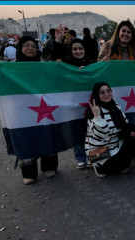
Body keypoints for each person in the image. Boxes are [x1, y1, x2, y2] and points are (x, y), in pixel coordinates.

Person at [85, 82, 135, 177]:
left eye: (108, 91)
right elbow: (101, 136)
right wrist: (97, 117)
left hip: (117, 145)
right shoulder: (93, 111)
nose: (106, 94)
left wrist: (130, 133)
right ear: (97, 94)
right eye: (102, 92)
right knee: (105, 171)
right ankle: (99, 167)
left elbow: (124, 126)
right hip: (102, 152)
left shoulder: (115, 107)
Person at [16, 36, 58, 184]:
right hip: (22, 109)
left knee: (46, 134)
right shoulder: (11, 67)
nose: (31, 48)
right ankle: (29, 172)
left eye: (34, 46)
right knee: (25, 137)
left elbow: (54, 77)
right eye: (26, 45)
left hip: (44, 106)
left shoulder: (43, 65)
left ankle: (49, 166)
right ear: (20, 48)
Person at [52, 37, 94, 169]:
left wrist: (88, 70)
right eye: (74, 49)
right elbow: (54, 65)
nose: (78, 51)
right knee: (76, 130)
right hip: (72, 104)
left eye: (80, 48)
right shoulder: (65, 64)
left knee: (91, 130)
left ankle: (93, 156)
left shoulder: (91, 63)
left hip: (89, 104)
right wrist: (58, 41)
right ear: (70, 51)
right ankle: (80, 157)